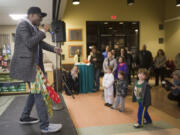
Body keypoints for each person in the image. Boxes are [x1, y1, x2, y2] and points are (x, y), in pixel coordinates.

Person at [10, 7, 62, 133]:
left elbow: (40, 43)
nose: (41, 19)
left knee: (34, 93)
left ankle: (24, 117)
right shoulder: (23, 25)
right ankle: (45, 126)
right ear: (32, 15)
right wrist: (43, 31)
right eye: (40, 16)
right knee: (39, 94)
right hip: (28, 66)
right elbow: (29, 42)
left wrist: (54, 49)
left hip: (35, 66)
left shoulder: (33, 28)